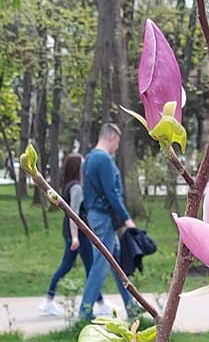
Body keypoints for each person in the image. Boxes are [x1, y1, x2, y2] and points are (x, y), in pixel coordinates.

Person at [78, 121, 137, 323]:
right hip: (104, 217)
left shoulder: (89, 159)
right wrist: (126, 217)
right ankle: (85, 310)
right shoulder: (103, 160)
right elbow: (111, 192)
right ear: (112, 137)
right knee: (101, 263)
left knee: (116, 261)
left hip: (96, 215)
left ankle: (131, 305)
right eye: (117, 142)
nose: (117, 147)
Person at [40, 153, 94, 316]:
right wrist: (75, 236)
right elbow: (74, 214)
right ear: (77, 168)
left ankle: (99, 301)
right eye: (83, 165)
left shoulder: (70, 185)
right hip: (78, 233)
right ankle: (49, 300)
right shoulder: (76, 188)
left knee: (77, 266)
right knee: (88, 267)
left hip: (74, 232)